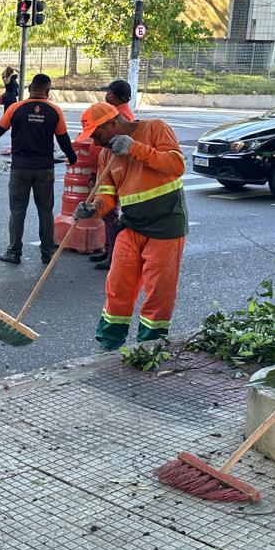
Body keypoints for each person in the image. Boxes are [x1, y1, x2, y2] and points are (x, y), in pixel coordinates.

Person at [74, 102, 188, 350]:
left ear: (112, 124)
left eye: (97, 135)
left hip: (166, 226)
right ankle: (109, 343)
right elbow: (106, 196)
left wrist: (134, 148)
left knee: (159, 292)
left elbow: (176, 166)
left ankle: (149, 347)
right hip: (132, 226)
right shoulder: (107, 155)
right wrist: (93, 208)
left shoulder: (155, 129)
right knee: (117, 286)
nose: (96, 143)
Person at [0, 73, 77, 265]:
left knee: (17, 211)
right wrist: (73, 158)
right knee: (45, 211)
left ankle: (14, 252)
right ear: (48, 91)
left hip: (20, 169)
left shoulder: (15, 108)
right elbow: (63, 139)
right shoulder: (55, 111)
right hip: (44, 169)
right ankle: (47, 253)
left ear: (29, 89)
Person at [89, 80, 137, 271]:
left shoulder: (120, 116)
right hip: (103, 172)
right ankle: (109, 248)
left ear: (112, 95)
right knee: (107, 215)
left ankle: (112, 252)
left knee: (110, 215)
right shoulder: (118, 113)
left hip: (111, 174)